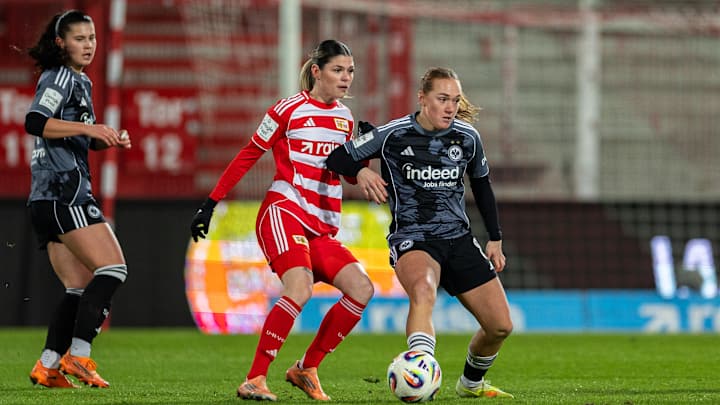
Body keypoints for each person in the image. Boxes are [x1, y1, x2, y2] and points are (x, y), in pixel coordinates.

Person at [190, 39, 374, 401]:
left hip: (320, 225)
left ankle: (306, 368)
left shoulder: (345, 118)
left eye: (350, 71)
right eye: (338, 70)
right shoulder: (287, 109)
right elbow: (249, 154)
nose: (346, 77)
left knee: (361, 289)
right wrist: (211, 202)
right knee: (300, 287)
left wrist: (363, 158)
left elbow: (344, 175)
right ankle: (255, 378)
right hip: (283, 210)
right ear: (317, 71)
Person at [326, 67, 514, 399]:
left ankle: (470, 384)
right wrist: (361, 173)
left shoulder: (467, 137)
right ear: (422, 99)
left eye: (455, 100)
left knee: (500, 326)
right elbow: (338, 158)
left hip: (458, 238)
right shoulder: (393, 134)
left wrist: (495, 238)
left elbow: (482, 186)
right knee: (424, 291)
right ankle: (419, 372)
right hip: (413, 238)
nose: (450, 107)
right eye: (442, 99)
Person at [24, 10, 132, 389]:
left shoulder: (80, 81)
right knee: (113, 269)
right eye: (79, 39)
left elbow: (74, 135)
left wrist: (104, 138)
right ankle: (80, 355)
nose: (88, 45)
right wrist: (90, 128)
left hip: (46, 197)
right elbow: (35, 121)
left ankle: (48, 364)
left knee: (78, 285)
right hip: (63, 192)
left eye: (92, 38)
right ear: (61, 43)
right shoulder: (61, 77)